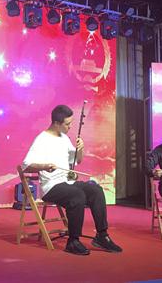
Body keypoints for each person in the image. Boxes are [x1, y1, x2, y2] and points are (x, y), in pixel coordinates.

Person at [22, 104, 122, 255]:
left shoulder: (64, 138)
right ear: (57, 123)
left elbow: (77, 160)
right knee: (77, 195)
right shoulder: (41, 139)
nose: (70, 127)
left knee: (95, 190)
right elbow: (26, 166)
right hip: (51, 187)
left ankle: (102, 235)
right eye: (67, 124)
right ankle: (73, 241)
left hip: (67, 183)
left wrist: (80, 149)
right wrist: (44, 166)